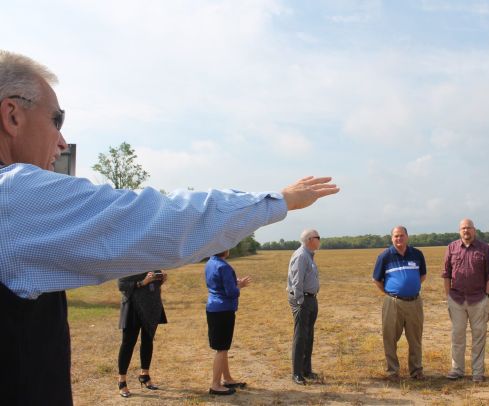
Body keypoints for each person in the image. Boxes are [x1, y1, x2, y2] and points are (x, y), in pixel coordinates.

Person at [0, 50, 339, 405]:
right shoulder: (13, 197)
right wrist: (279, 201)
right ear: (12, 115)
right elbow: (162, 221)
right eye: (56, 120)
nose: (61, 141)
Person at [442, 218, 489, 383]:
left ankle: (477, 372)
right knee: (457, 335)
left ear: (474, 230)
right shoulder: (451, 248)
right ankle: (457, 370)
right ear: (460, 231)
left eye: (469, 228)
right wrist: (448, 296)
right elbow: (446, 274)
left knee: (479, 336)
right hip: (456, 299)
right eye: (463, 228)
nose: (466, 230)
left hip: (478, 299)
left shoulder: (485, 249)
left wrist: (487, 296)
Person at [372, 226, 427, 382]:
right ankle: (393, 372)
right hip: (393, 303)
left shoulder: (417, 254)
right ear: (392, 238)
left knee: (415, 338)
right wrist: (391, 292)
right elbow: (377, 279)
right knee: (390, 338)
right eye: (396, 236)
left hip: (414, 303)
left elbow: (422, 275)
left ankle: (416, 370)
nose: (399, 239)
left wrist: (410, 287)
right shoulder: (385, 256)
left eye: (402, 235)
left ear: (407, 236)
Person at [205, 250, 250, 395]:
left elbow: (218, 283)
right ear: (224, 249)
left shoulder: (210, 262)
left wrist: (233, 283)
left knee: (223, 347)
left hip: (213, 307)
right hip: (223, 310)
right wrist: (240, 285)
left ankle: (228, 379)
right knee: (222, 348)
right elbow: (231, 292)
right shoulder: (224, 266)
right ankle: (215, 385)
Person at [116, 271, 168, 397]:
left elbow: (154, 283)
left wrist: (161, 279)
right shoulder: (126, 263)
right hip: (133, 307)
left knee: (148, 340)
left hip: (152, 306)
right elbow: (121, 285)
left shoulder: (151, 261)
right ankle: (122, 381)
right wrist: (142, 283)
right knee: (128, 344)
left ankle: (145, 375)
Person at [287, 229, 321, 385]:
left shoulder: (309, 255)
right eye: (318, 237)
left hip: (311, 299)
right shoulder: (301, 256)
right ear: (309, 240)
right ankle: (296, 373)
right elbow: (296, 282)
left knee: (309, 335)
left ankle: (306, 370)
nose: (320, 240)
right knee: (300, 336)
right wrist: (301, 302)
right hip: (303, 300)